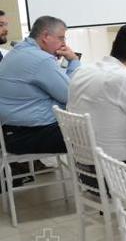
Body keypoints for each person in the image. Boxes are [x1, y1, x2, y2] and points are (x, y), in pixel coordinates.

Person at [68, 24, 126, 181]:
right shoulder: (122, 79)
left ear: (114, 46)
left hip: (83, 170)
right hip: (118, 175)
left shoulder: (82, 72)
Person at [0, 15, 80, 155]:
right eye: (61, 38)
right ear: (46, 36)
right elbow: (71, 95)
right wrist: (73, 61)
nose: (64, 43)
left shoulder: (18, 51)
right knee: (97, 134)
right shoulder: (40, 60)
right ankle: (96, 176)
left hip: (11, 133)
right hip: (29, 136)